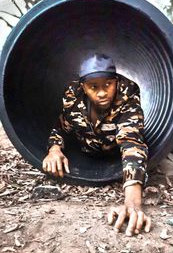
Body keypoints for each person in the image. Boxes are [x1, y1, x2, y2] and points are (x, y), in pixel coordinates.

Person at [42, 53, 151, 236]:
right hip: (85, 151)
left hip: (116, 154)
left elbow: (131, 142)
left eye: (108, 85)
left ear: (116, 82)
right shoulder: (72, 98)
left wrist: (133, 204)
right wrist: (54, 149)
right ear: (83, 87)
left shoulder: (127, 94)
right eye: (93, 87)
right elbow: (61, 127)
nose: (101, 93)